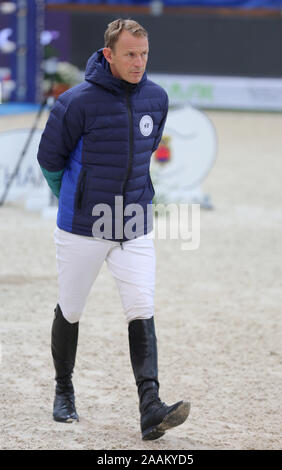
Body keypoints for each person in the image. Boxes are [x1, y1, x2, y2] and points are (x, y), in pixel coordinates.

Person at [37, 18, 190, 441]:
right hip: (81, 227)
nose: (139, 62)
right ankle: (64, 390)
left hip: (134, 223)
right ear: (109, 54)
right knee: (71, 309)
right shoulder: (75, 102)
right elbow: (50, 161)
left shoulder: (156, 98)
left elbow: (147, 150)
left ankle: (150, 407)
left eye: (143, 54)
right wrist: (76, 199)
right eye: (130, 54)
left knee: (141, 309)